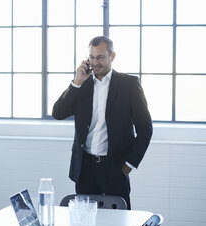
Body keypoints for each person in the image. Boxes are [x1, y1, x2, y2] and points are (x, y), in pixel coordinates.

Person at [52, 36, 152, 210]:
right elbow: (58, 113)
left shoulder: (128, 85)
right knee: (84, 222)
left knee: (120, 223)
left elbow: (145, 128)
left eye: (100, 57)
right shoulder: (81, 84)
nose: (94, 62)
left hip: (115, 167)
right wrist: (76, 82)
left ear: (112, 56)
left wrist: (129, 164)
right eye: (91, 57)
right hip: (85, 168)